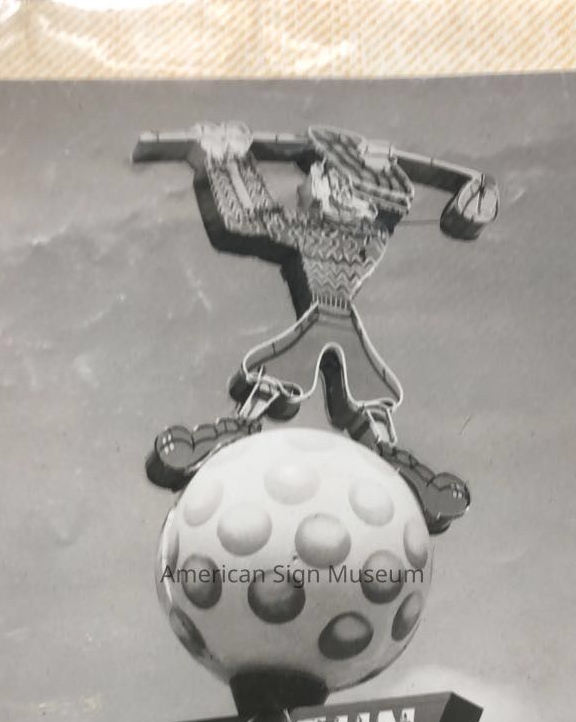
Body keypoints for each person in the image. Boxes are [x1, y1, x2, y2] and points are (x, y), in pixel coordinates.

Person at [134, 121, 498, 534]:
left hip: (325, 321)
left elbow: (252, 217)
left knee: (283, 376)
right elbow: (392, 207)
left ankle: (228, 434)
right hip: (340, 324)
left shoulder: (319, 234)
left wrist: (226, 160)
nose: (302, 186)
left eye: (315, 175)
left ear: (335, 189)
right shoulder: (372, 237)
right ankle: (399, 464)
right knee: (362, 393)